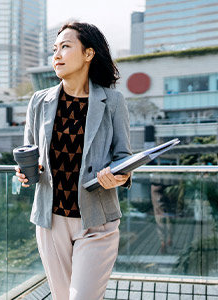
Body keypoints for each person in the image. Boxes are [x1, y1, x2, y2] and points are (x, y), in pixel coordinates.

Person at [14, 21, 133, 300]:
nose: (57, 55)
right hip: (50, 221)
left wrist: (119, 175)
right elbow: (28, 152)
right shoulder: (38, 101)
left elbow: (124, 157)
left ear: (89, 54)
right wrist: (22, 171)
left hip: (96, 222)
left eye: (66, 47)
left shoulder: (113, 102)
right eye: (54, 49)